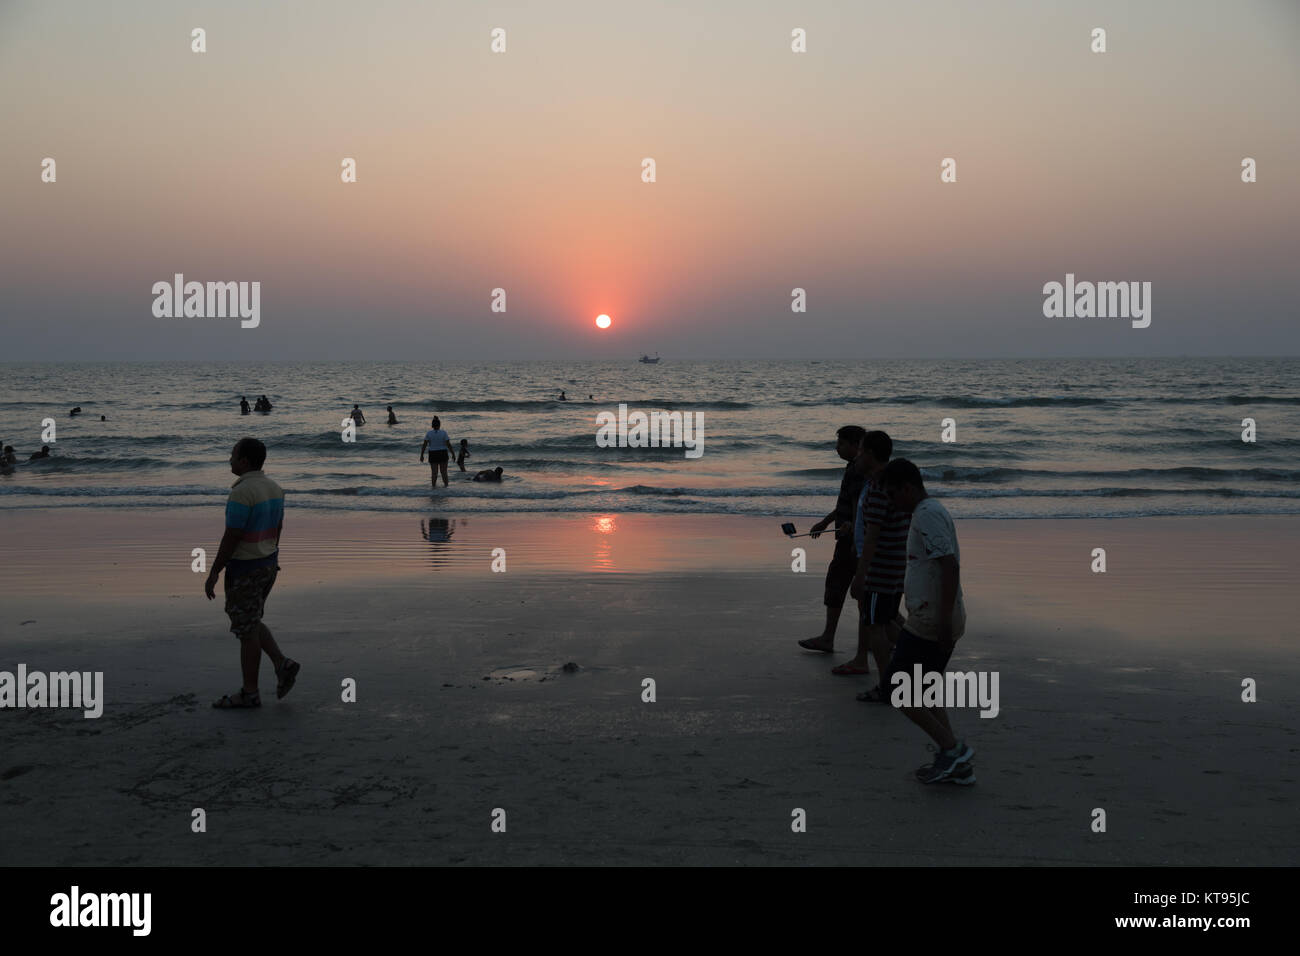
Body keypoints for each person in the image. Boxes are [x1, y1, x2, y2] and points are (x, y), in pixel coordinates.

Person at [879, 458, 974, 785]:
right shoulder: (928, 512)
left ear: (908, 488)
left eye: (893, 495)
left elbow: (949, 567)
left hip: (932, 621)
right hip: (931, 616)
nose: (892, 503)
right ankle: (956, 762)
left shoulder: (927, 515)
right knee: (925, 691)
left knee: (896, 689)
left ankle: (953, 750)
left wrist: (944, 622)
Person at [204, 437, 299, 709]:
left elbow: (232, 536)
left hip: (245, 567)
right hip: (268, 564)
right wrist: (272, 555)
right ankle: (283, 664)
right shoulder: (275, 488)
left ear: (244, 461)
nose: (229, 459)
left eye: (232, 455)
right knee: (252, 619)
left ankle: (250, 692)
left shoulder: (241, 492)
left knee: (246, 632)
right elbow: (278, 528)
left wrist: (214, 571)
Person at [837, 431, 910, 693]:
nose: (856, 456)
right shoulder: (889, 483)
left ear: (869, 454)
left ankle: (887, 686)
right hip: (893, 564)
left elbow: (872, 537)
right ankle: (912, 669)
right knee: (886, 619)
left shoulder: (878, 488)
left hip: (879, 568)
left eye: (860, 451)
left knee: (875, 626)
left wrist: (860, 575)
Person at [797, 425, 868, 653]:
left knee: (838, 585)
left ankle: (829, 637)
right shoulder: (856, 468)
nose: (837, 449)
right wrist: (826, 522)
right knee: (864, 592)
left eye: (841, 444)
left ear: (855, 445)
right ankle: (877, 638)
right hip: (854, 538)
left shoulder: (858, 470)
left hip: (851, 541)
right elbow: (847, 504)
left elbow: (859, 504)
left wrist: (854, 535)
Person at [420, 416, 455, 488]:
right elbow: (448, 444)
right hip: (442, 453)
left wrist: (422, 455)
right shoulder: (443, 433)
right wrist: (453, 454)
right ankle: (446, 487)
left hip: (433, 454)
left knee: (434, 473)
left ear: (432, 425)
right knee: (444, 472)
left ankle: (433, 488)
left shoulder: (429, 433)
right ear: (439, 425)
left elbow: (424, 445)